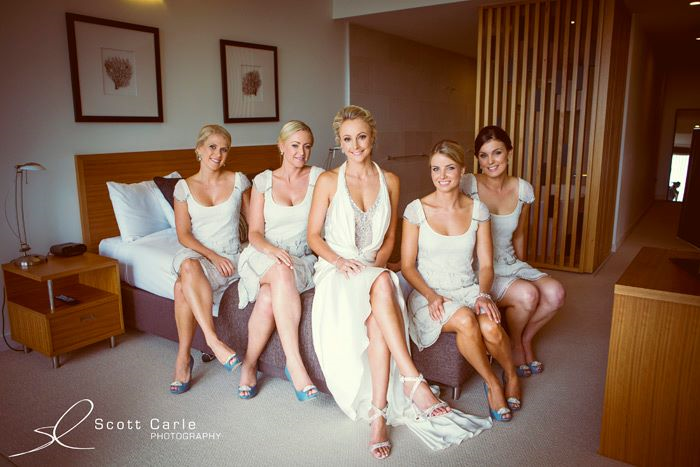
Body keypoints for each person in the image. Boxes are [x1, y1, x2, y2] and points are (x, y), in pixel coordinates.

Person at [308, 105, 490, 459]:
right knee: (382, 285)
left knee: (380, 305)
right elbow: (313, 236)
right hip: (337, 271)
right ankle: (412, 380)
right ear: (340, 142)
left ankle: (378, 415)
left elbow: (391, 237)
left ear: (373, 137)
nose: (355, 146)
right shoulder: (328, 181)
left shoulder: (390, 180)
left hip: (372, 271)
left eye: (362, 137)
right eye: (347, 139)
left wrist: (374, 270)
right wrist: (341, 262)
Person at [401, 140, 521, 422]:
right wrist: (431, 295)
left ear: (463, 170)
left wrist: (483, 294)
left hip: (467, 289)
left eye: (449, 168)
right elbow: (407, 266)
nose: (442, 176)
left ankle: (512, 375)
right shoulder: (416, 210)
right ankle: (493, 384)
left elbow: (486, 264)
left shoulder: (478, 210)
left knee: (490, 326)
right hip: (429, 295)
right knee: (466, 319)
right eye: (435, 169)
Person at [462, 125, 565, 378]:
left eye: (497, 153)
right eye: (484, 155)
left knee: (555, 293)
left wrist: (522, 268)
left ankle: (525, 337)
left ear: (509, 152)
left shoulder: (524, 190)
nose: (490, 161)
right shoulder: (468, 184)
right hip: (479, 265)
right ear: (478, 159)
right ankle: (517, 345)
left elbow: (519, 233)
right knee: (528, 296)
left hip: (509, 260)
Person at [236, 121, 323, 400]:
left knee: (267, 297)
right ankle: (295, 364)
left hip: (300, 258)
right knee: (280, 271)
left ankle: (249, 365)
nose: (301, 152)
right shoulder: (263, 182)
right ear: (281, 146)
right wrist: (272, 251)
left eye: (307, 146)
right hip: (263, 254)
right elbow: (254, 233)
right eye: (295, 145)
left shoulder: (319, 178)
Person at [169, 124, 251, 394]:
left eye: (224, 149)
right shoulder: (183, 187)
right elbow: (183, 235)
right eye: (212, 147)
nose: (218, 154)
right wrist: (212, 256)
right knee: (188, 265)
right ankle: (213, 341)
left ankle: (183, 359)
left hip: (231, 255)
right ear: (199, 150)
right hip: (199, 254)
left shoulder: (238, 181)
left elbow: (254, 225)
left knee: (181, 287)